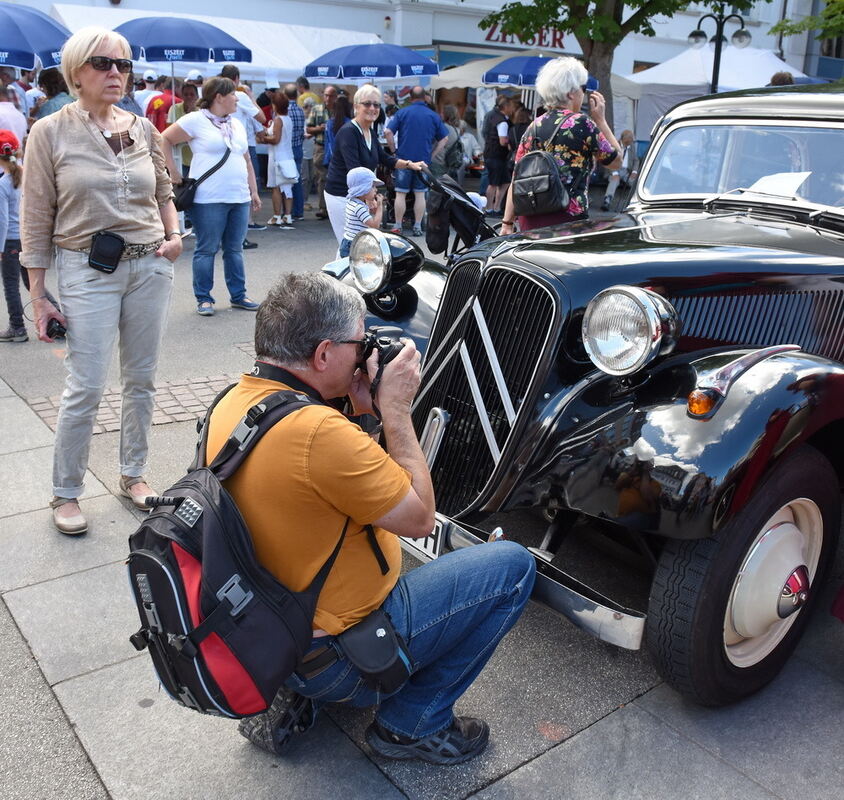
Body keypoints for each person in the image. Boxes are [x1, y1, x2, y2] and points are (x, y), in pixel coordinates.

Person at [214, 271, 536, 764]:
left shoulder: (234, 404)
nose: (367, 353)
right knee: (513, 567)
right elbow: (420, 518)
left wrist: (362, 411)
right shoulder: (320, 432)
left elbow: (330, 480)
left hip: (269, 639)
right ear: (323, 355)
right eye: (359, 342)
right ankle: (412, 724)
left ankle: (293, 690)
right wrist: (397, 411)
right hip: (343, 658)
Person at [20, 26, 182, 535]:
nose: (116, 72)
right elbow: (35, 216)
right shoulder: (49, 131)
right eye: (103, 63)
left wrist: (174, 236)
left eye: (124, 64)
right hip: (86, 268)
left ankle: (133, 473)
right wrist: (39, 296)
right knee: (85, 385)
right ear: (75, 72)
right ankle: (66, 491)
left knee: (142, 379)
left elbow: (163, 192)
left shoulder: (144, 128)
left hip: (150, 266)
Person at [162, 76, 262, 317]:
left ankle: (239, 295)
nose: (237, 98)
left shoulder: (236, 123)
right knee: (206, 249)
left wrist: (254, 190)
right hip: (209, 198)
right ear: (219, 97)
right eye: (232, 94)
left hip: (238, 196)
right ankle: (204, 298)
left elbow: (246, 159)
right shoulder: (196, 120)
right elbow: (163, 139)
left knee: (235, 249)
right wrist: (173, 172)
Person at [500, 57, 620, 234]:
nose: (583, 95)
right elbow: (616, 161)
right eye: (583, 89)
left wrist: (506, 223)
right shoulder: (582, 124)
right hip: (567, 220)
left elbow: (516, 178)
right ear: (571, 93)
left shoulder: (534, 126)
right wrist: (601, 120)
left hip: (531, 218)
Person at [324, 84, 424, 245]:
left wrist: (409, 164)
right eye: (367, 104)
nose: (373, 108)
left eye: (376, 104)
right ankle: (337, 271)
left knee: (356, 247)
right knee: (352, 245)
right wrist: (371, 197)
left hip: (360, 194)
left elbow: (384, 158)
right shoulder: (348, 132)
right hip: (341, 195)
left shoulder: (369, 131)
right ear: (356, 106)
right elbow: (354, 171)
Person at [385, 86, 448, 236]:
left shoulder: (402, 112)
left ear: (411, 97)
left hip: (403, 160)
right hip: (423, 163)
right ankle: (418, 226)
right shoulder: (433, 115)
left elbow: (388, 132)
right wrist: (432, 155)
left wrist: (394, 152)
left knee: (400, 194)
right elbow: (444, 138)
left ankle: (398, 225)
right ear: (425, 97)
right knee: (420, 194)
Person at [220, 65, 266, 242]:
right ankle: (241, 229)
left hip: (227, 144)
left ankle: (234, 230)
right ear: (236, 78)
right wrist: (251, 97)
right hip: (242, 145)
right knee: (244, 186)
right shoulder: (241, 96)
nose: (235, 102)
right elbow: (261, 117)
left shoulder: (219, 100)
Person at [0, 130, 26, 342]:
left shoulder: (2, 184)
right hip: (27, 237)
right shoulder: (28, 174)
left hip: (9, 240)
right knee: (32, 282)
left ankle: (17, 328)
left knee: (11, 285)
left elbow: (3, 220)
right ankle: (59, 317)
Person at [264, 92, 297, 227]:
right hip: (288, 156)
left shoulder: (278, 120)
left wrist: (263, 138)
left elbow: (276, 139)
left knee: (276, 187)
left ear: (275, 105)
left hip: (277, 156)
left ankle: (277, 216)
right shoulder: (288, 119)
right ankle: (287, 215)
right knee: (287, 186)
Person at [306, 84, 338, 220]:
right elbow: (309, 129)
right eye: (326, 95)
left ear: (335, 97)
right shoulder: (317, 109)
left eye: (331, 95)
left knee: (336, 177)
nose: (328, 98)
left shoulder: (339, 110)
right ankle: (323, 207)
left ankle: (334, 208)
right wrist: (320, 128)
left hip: (336, 147)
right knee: (322, 177)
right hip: (321, 146)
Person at [339, 166, 383, 257]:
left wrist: (370, 203)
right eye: (372, 186)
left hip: (349, 242)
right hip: (355, 245)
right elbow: (375, 225)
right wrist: (380, 206)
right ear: (363, 189)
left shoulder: (353, 201)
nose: (376, 189)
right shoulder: (359, 207)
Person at [482, 95, 513, 217]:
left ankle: (496, 207)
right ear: (505, 107)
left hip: (492, 153)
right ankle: (489, 208)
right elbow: (502, 141)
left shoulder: (491, 115)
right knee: (494, 183)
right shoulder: (502, 122)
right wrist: (511, 142)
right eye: (510, 106)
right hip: (496, 155)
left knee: (505, 181)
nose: (512, 109)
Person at [283, 84, 306, 220]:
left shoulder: (285, 111)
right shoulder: (300, 110)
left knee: (286, 180)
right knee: (297, 180)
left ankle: (287, 211)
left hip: (287, 148)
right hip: (298, 146)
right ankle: (299, 210)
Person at [601, 129, 639, 211]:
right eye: (630, 139)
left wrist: (634, 171)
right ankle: (607, 200)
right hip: (614, 168)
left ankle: (635, 202)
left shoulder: (631, 146)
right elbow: (608, 160)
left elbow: (636, 160)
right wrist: (614, 173)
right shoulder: (614, 145)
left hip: (626, 171)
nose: (632, 141)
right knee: (614, 181)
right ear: (624, 139)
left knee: (634, 182)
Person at [429, 104, 461, 181]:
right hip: (445, 162)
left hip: (436, 160)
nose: (440, 114)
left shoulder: (443, 127)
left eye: (442, 113)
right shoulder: (456, 130)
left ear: (446, 114)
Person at [300, 96, 316, 207]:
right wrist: (313, 133)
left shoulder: (313, 119)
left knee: (310, 178)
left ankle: (305, 200)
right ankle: (302, 201)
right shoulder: (302, 119)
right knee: (304, 178)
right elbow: (302, 134)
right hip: (304, 152)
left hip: (312, 152)